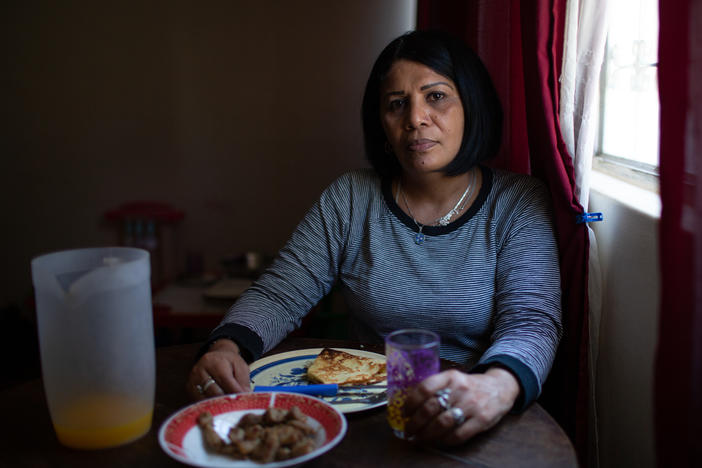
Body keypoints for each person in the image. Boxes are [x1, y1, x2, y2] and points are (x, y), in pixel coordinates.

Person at [186, 30, 562, 446]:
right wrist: (225, 347)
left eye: (435, 96)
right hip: (365, 415)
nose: (415, 118)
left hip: (471, 413)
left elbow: (531, 323)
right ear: (381, 123)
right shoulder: (351, 196)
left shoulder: (517, 202)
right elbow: (280, 294)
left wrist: (496, 387)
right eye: (396, 104)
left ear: (472, 105)